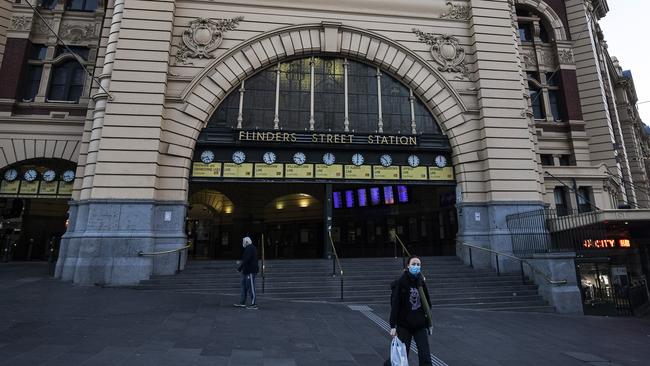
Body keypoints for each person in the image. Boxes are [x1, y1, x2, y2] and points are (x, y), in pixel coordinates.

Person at [384, 255, 433, 366]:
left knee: (425, 356)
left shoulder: (421, 282)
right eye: (414, 264)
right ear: (408, 266)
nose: (416, 266)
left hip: (420, 325)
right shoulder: (401, 283)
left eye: (418, 264)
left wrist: (428, 321)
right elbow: (395, 304)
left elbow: (427, 302)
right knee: (400, 355)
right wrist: (392, 325)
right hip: (404, 325)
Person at [234, 236, 259, 309]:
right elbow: (246, 259)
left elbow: (247, 259)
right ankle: (242, 302)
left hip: (250, 271)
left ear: (247, 242)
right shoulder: (250, 248)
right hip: (247, 271)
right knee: (244, 286)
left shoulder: (250, 248)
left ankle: (253, 304)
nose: (243, 243)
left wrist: (239, 268)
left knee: (250, 287)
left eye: (244, 241)